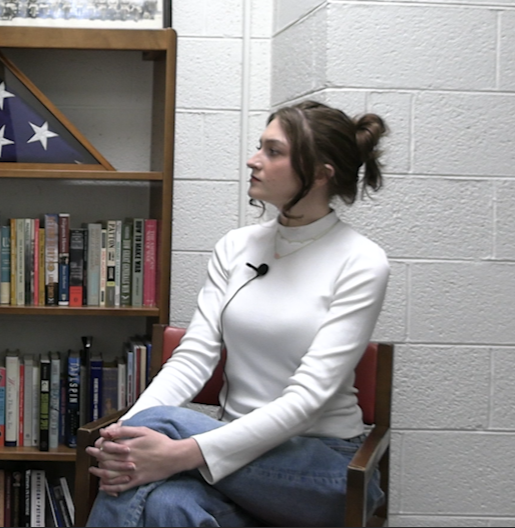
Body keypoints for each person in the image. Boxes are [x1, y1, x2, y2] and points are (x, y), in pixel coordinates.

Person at [86, 100, 390, 527]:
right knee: (167, 505)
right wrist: (127, 439)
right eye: (258, 147)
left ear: (321, 174)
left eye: (273, 151)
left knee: (161, 423)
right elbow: (193, 359)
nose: (253, 160)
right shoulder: (236, 246)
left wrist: (180, 451)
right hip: (232, 456)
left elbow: (307, 400)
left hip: (325, 469)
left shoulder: (361, 261)